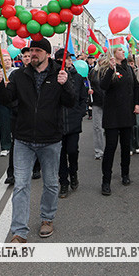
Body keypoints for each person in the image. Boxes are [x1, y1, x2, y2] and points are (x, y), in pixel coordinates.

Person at [0, 38, 75, 243]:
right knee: (21, 185)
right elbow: (6, 99)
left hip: (51, 140)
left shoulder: (59, 74)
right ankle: (19, 231)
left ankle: (47, 219)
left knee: (51, 184)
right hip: (23, 139)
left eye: (38, 50)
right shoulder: (20, 75)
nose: (34, 53)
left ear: (47, 54)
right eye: (32, 50)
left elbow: (71, 101)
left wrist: (66, 86)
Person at [97, 46, 139, 195]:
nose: (124, 52)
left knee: (125, 146)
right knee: (110, 147)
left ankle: (125, 174)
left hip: (127, 114)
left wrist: (137, 103)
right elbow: (103, 86)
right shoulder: (106, 68)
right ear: (114, 53)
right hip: (112, 115)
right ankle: (106, 181)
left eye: (124, 50)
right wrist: (111, 69)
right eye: (121, 50)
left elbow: (136, 87)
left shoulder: (128, 68)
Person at [56, 50, 88, 199]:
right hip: (57, 122)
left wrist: (80, 112)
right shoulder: (53, 77)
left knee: (72, 150)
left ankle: (73, 172)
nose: (67, 62)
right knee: (60, 154)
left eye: (68, 59)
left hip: (73, 120)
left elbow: (83, 98)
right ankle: (63, 182)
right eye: (63, 59)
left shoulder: (78, 77)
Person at [88, 58, 106, 160]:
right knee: (97, 127)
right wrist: (89, 90)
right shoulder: (93, 72)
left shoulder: (110, 71)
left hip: (109, 103)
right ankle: (99, 151)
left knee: (108, 128)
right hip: (96, 102)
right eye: (101, 61)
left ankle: (109, 148)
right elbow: (87, 83)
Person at [0, 54, 14, 157]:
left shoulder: (16, 71)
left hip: (15, 101)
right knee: (4, 125)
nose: (7, 62)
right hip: (2, 102)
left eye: (9, 60)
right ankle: (5, 146)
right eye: (5, 60)